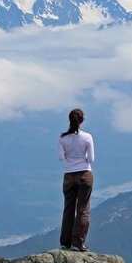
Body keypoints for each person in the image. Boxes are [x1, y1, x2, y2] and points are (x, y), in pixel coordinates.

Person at [57, 108, 95, 252]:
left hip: (68, 175)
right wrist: (81, 159)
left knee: (68, 208)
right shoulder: (87, 137)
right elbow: (91, 159)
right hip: (85, 174)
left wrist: (70, 160)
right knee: (83, 209)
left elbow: (61, 157)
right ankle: (78, 243)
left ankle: (65, 242)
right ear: (82, 121)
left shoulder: (62, 138)